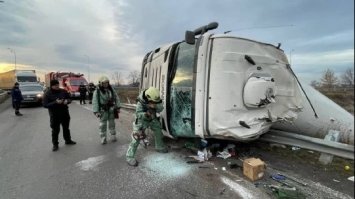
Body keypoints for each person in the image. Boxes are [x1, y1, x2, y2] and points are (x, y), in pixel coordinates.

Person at [126, 87, 168, 167]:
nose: (155, 102)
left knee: (158, 130)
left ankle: (159, 146)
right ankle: (129, 156)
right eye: (153, 102)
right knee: (136, 137)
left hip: (152, 118)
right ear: (148, 98)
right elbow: (138, 114)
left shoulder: (155, 98)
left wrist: (154, 106)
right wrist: (146, 114)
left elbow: (160, 108)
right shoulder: (140, 102)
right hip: (141, 120)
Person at [43, 79, 76, 151]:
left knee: (66, 128)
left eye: (58, 85)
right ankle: (55, 144)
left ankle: (68, 140)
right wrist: (55, 102)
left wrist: (67, 101)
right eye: (55, 85)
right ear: (52, 86)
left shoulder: (63, 91)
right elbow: (45, 105)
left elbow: (70, 98)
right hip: (54, 114)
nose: (57, 86)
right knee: (55, 130)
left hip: (64, 113)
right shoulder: (47, 93)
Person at [92, 76, 121, 144]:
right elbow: (95, 102)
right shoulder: (97, 91)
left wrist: (118, 107)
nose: (106, 84)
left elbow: (116, 97)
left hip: (111, 109)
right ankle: (103, 137)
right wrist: (96, 111)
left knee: (112, 123)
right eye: (104, 83)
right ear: (101, 83)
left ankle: (113, 135)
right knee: (102, 125)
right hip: (103, 110)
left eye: (107, 82)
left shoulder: (111, 89)